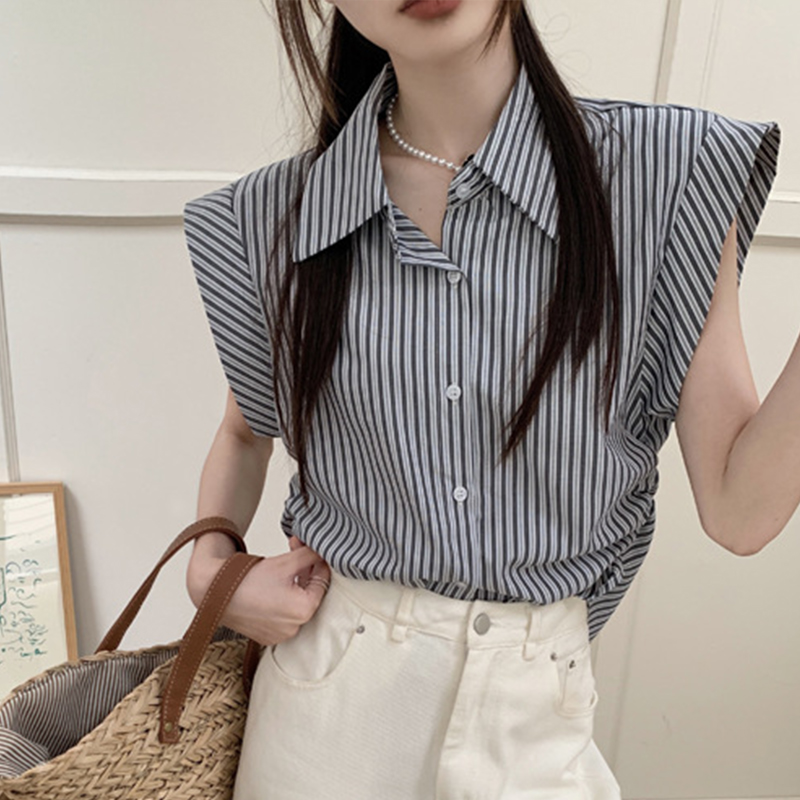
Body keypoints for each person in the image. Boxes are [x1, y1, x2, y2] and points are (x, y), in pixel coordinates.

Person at [181, 1, 789, 797]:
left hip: (535, 718)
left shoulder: (668, 177)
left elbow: (742, 512)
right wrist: (211, 570)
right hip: (324, 711)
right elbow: (243, 431)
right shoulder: (274, 217)